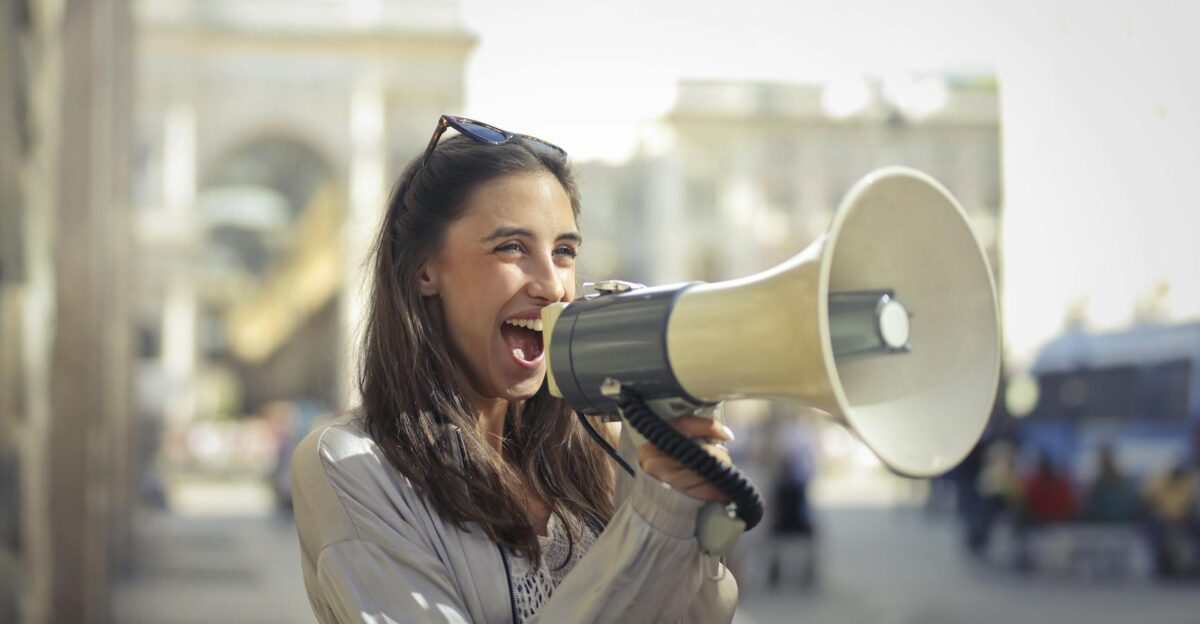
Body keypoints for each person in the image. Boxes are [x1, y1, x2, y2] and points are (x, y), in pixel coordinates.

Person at [290, 115, 739, 623]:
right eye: (511, 247)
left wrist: (687, 515)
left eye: (565, 251)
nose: (552, 285)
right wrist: (651, 525)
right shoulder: (351, 464)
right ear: (425, 270)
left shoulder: (603, 446)